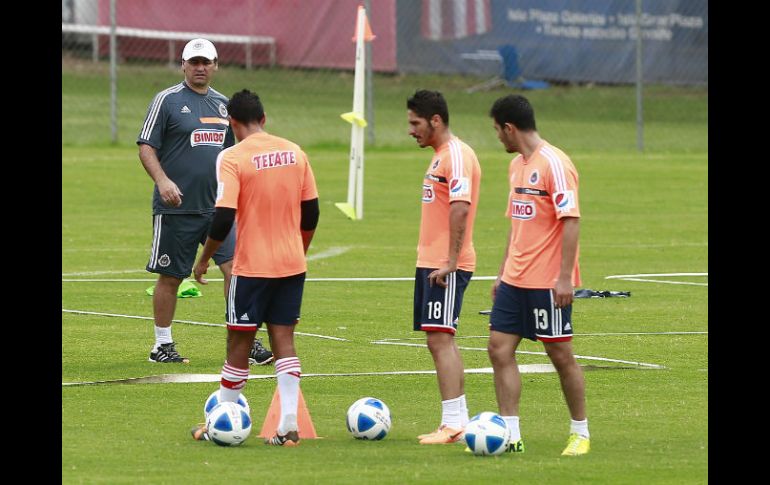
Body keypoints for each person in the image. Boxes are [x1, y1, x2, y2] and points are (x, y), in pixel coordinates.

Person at [190, 89, 320, 447]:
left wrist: (204, 259)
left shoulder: (232, 157)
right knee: (284, 340)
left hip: (251, 268)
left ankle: (217, 421)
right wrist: (299, 248)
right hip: (292, 264)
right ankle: (289, 427)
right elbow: (311, 212)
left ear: (232, 123)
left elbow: (223, 216)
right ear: (263, 119)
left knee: (238, 343)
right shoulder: (295, 151)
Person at [137, 38, 273, 365]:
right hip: (177, 208)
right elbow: (146, 146)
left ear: (215, 66)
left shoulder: (225, 106)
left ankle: (245, 340)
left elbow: (235, 153)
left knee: (236, 270)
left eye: (206, 62)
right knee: (171, 276)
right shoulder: (166, 101)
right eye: (194, 62)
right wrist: (163, 180)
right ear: (183, 65)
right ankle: (162, 345)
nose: (200, 68)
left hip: (219, 209)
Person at [486, 94, 590, 456]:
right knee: (499, 350)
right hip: (515, 280)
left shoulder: (555, 164)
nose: (497, 137)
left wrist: (565, 278)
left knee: (560, 355)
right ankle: (509, 435)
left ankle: (580, 432)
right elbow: (517, 225)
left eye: (498, 130)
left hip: (547, 283)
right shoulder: (516, 166)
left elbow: (571, 221)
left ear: (510, 128)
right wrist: (501, 274)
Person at [406, 90, 481, 444]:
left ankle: (451, 424)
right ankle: (459, 421)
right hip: (432, 261)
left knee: (441, 339)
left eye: (415, 123)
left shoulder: (457, 155)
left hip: (445, 265)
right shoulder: (440, 156)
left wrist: (451, 261)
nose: (411, 130)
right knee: (439, 339)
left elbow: (460, 207)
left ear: (435, 120)